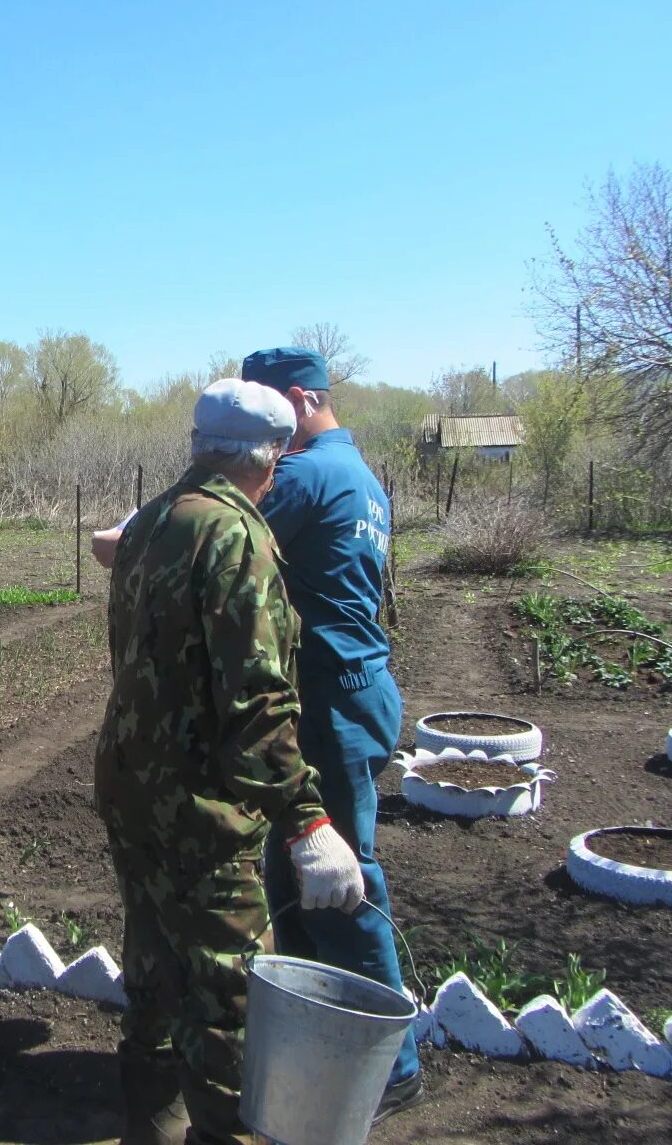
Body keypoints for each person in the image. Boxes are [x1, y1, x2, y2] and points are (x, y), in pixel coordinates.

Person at [96, 378, 365, 1145]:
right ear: (272, 460)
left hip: (132, 787)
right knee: (229, 996)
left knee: (151, 976)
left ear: (199, 447)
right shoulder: (234, 535)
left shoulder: (151, 521)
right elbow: (254, 698)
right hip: (200, 807)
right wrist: (307, 818)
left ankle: (147, 1130)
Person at [240, 345, 424, 1121]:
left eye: (267, 415)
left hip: (332, 698)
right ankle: (318, 1030)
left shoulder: (309, 473)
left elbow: (224, 533)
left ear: (294, 402)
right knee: (299, 873)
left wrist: (136, 539)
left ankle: (391, 1067)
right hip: (357, 687)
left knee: (343, 877)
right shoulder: (358, 471)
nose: (264, 439)